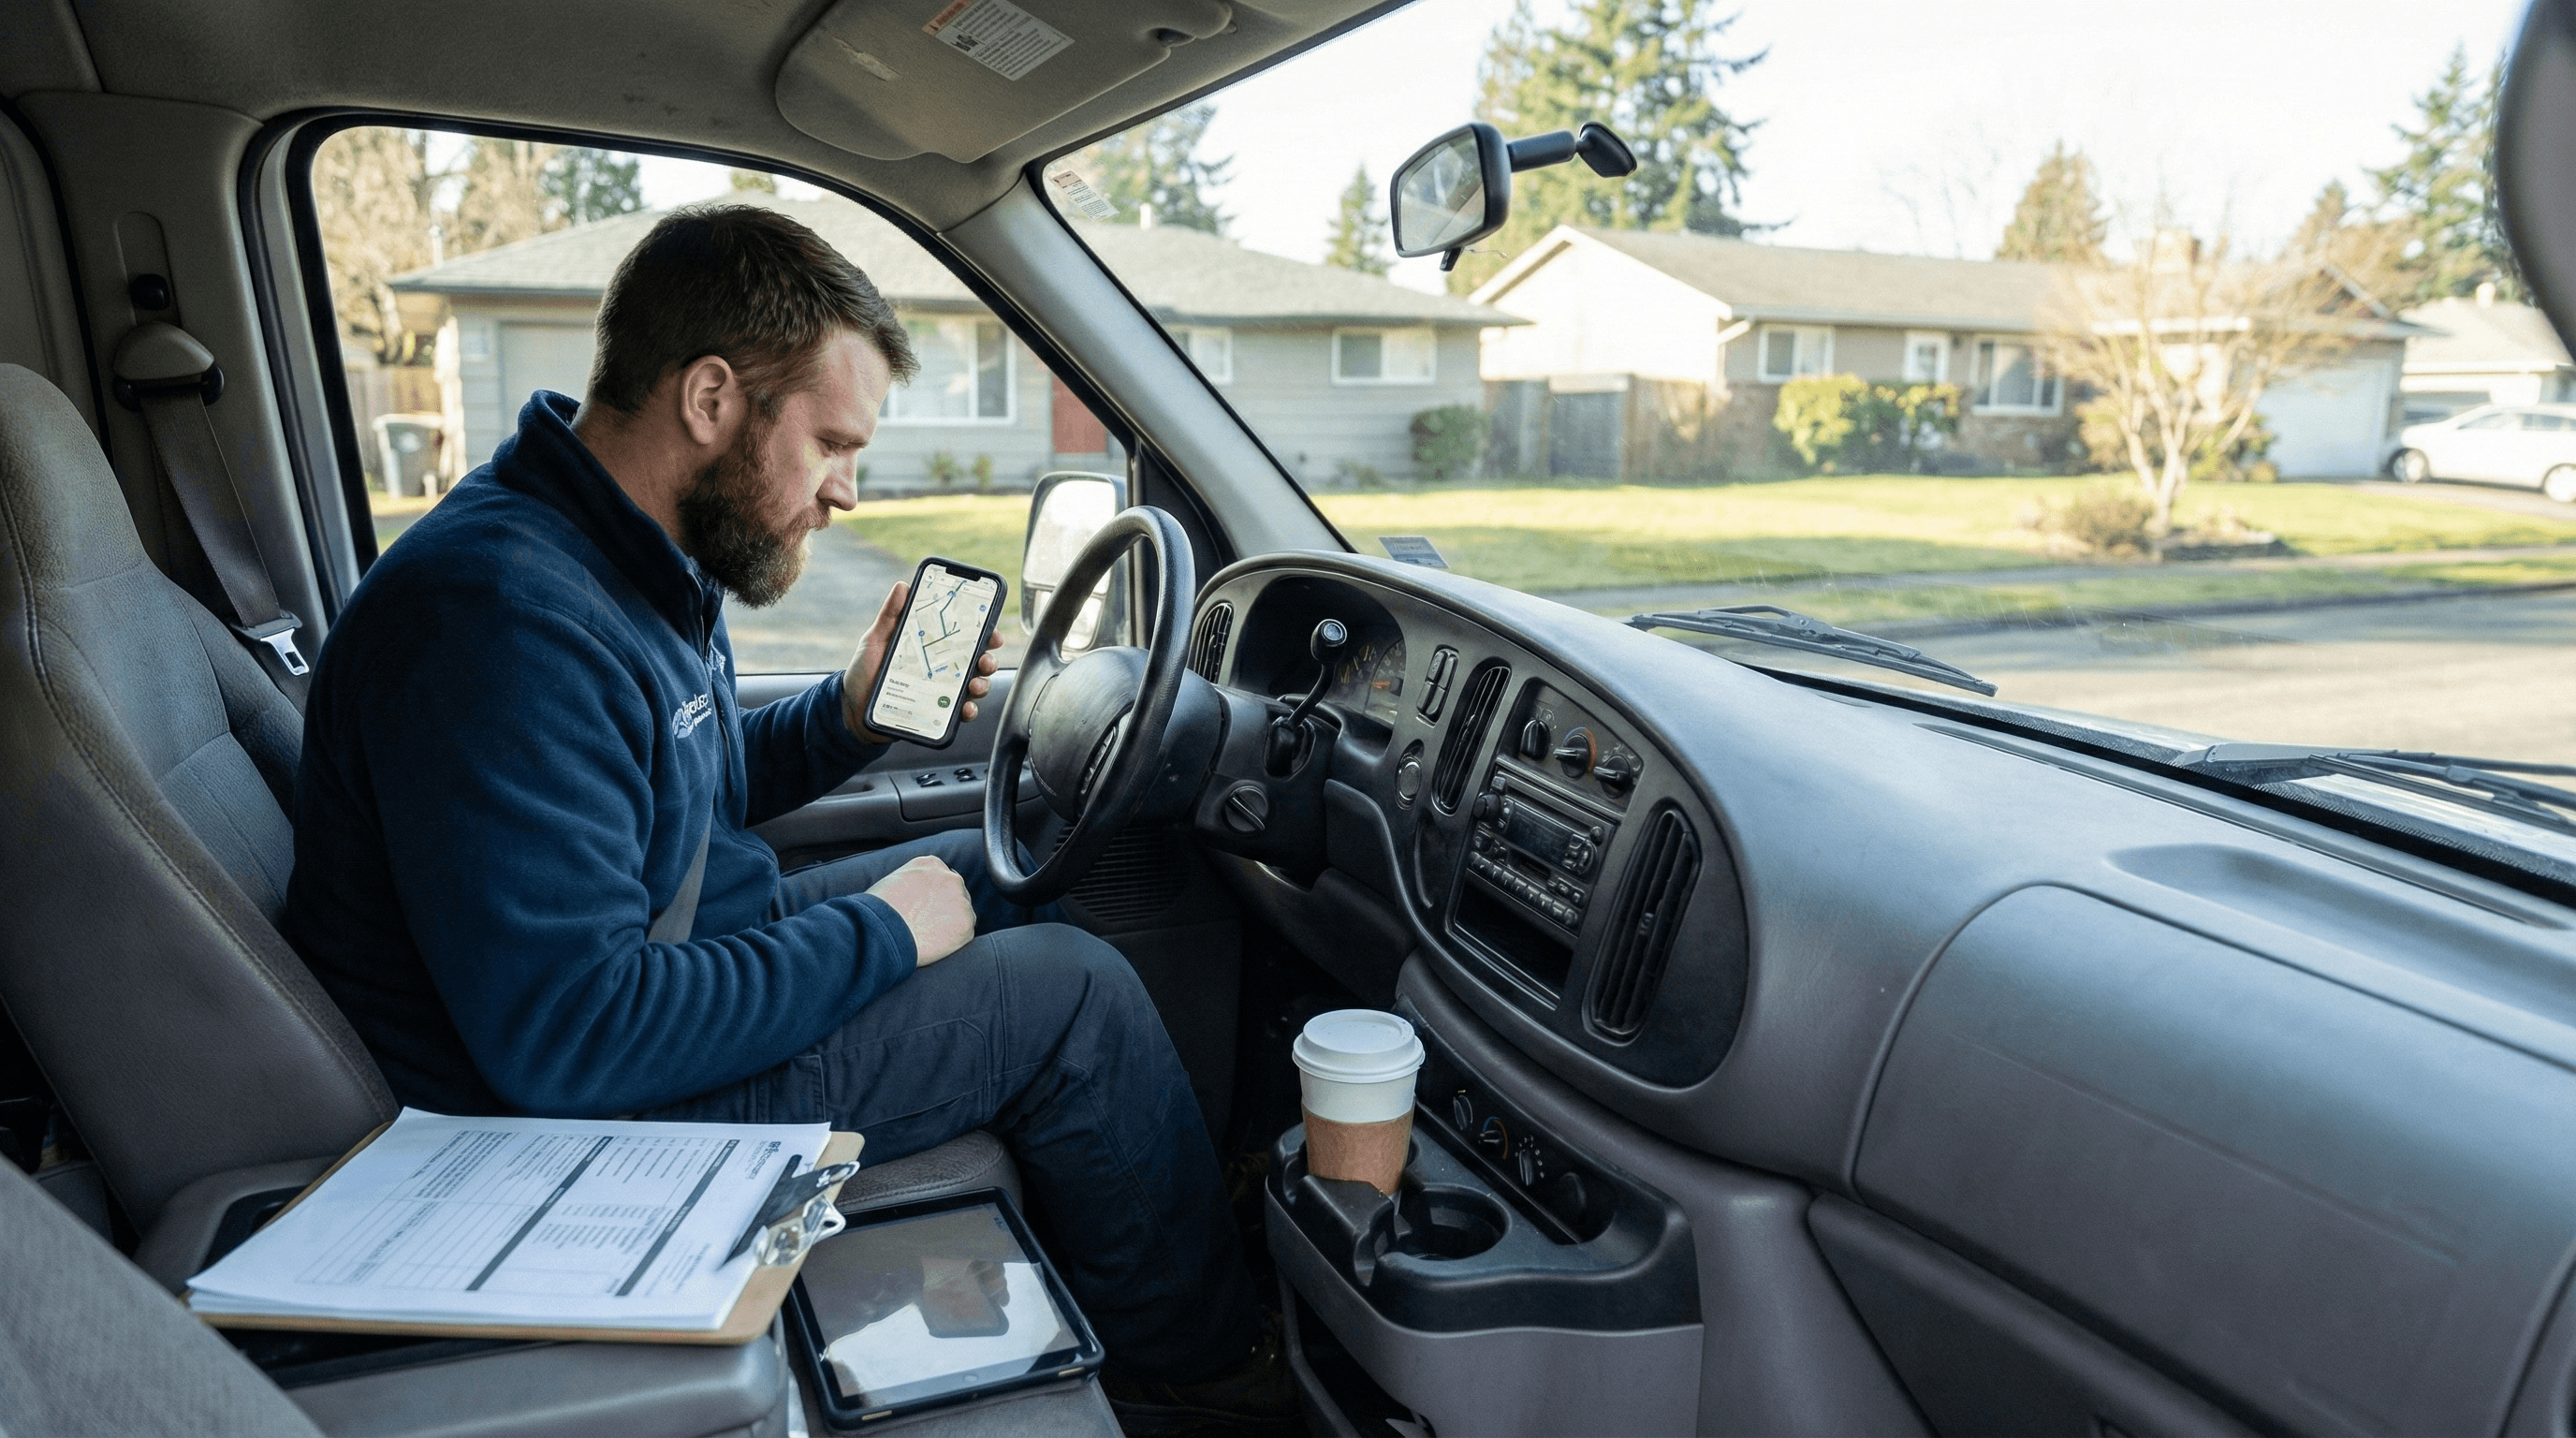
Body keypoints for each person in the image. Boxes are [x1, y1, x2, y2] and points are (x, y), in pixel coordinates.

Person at [282, 203, 1290, 1430]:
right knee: (1069, 991)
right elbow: (572, 1036)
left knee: (1007, 865)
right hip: (567, 1115)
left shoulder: (631, 556)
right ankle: (1212, 1370)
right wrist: (884, 935)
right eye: (831, 444)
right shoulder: (502, 621)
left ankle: (1150, 1214)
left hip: (656, 978)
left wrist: (848, 719)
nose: (845, 492)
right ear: (712, 398)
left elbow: (673, 797)